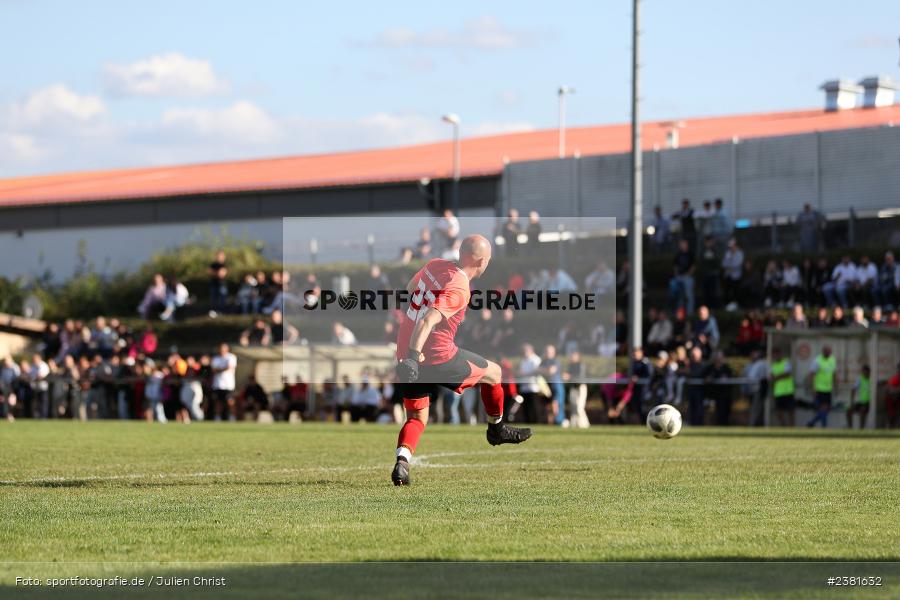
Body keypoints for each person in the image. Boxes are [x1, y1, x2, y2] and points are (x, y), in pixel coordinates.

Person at [391, 235, 532, 486]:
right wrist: (415, 355)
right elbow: (428, 320)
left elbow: (411, 289)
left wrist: (410, 352)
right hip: (435, 357)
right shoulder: (460, 286)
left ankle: (402, 462)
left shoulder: (435, 265)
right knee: (495, 373)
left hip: (406, 351)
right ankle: (496, 428)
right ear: (481, 261)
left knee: (416, 417)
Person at [807, 345, 837, 428]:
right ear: (823, 351)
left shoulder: (832, 359)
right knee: (823, 408)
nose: (828, 353)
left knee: (827, 409)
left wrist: (836, 385)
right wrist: (813, 388)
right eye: (826, 351)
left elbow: (834, 373)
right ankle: (824, 426)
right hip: (819, 388)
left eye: (829, 351)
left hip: (828, 388)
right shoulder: (817, 361)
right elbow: (811, 374)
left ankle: (812, 422)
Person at [211, 343, 237, 421]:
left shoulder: (231, 357)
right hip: (218, 385)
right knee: (218, 402)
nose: (221, 350)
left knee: (230, 402)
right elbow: (214, 370)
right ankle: (217, 417)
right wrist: (223, 369)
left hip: (228, 385)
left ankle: (232, 417)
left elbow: (229, 367)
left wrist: (219, 369)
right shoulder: (215, 358)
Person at [770, 347, 796, 427]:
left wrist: (776, 377)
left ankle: (791, 427)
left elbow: (787, 374)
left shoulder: (786, 362)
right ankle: (784, 427)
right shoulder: (773, 365)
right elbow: (771, 378)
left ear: (780, 354)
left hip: (788, 390)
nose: (776, 356)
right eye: (774, 354)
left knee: (790, 411)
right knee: (778, 411)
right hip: (778, 391)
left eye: (777, 354)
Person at [721, 238, 744, 311]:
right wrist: (730, 266)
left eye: (733, 246)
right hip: (728, 276)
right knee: (727, 291)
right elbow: (723, 263)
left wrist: (730, 266)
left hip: (736, 276)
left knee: (736, 291)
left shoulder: (740, 253)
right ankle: (728, 305)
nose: (731, 248)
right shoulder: (728, 253)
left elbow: (738, 264)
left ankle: (736, 305)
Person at [847, 365, 871, 429]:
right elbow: (853, 389)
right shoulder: (860, 379)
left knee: (862, 411)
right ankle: (850, 427)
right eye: (863, 372)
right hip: (861, 401)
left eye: (866, 372)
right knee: (849, 410)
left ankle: (861, 429)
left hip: (869, 402)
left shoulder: (871, 380)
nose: (864, 373)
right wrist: (852, 402)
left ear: (869, 372)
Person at [208, 251, 229, 318]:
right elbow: (209, 272)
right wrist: (217, 273)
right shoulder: (213, 264)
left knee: (222, 300)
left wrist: (214, 273)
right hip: (213, 285)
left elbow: (221, 275)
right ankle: (214, 312)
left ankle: (221, 312)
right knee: (213, 300)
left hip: (222, 286)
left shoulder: (225, 265)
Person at [886, 362, 900, 429]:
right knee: (891, 414)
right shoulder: (893, 378)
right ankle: (891, 428)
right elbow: (889, 389)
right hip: (893, 400)